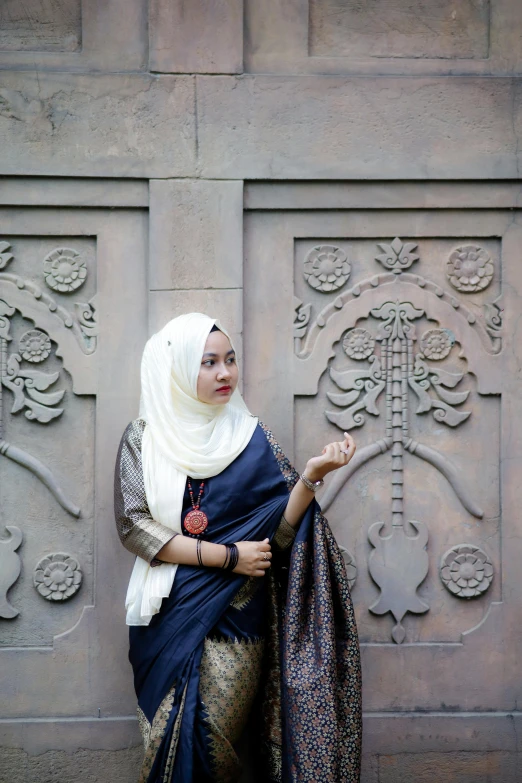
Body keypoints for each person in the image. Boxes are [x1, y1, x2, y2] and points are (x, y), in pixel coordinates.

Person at [114, 312, 362, 783]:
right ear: (178, 369)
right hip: (167, 614)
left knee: (217, 749)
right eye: (208, 363)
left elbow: (281, 540)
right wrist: (227, 557)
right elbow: (134, 527)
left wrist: (311, 478)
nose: (225, 373)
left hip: (236, 621)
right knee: (162, 742)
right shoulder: (143, 439)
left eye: (230, 360)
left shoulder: (251, 437)